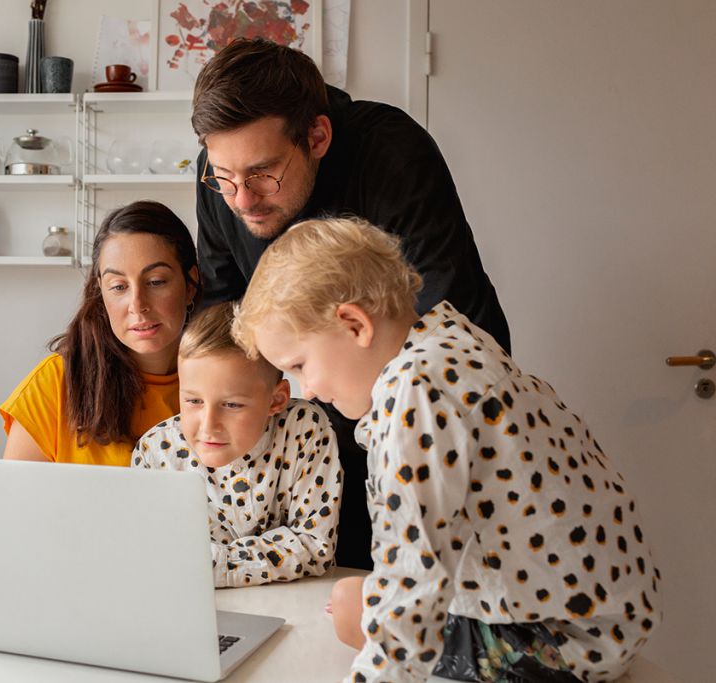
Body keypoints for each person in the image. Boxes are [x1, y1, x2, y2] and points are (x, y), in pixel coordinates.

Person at [231, 216, 661, 682]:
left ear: (354, 325)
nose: (307, 390)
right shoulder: (450, 339)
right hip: (606, 613)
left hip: (564, 638)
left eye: (300, 364)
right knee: (356, 598)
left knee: (356, 611)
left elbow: (413, 577)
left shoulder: (414, 392)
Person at [192, 38, 510, 569]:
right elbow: (223, 318)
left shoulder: (390, 153)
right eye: (224, 176)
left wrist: (398, 441)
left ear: (317, 137)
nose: (241, 199)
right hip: (302, 446)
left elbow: (450, 320)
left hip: (427, 422)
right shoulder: (223, 176)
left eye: (263, 173)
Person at [131, 301, 342, 588]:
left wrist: (210, 566)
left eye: (231, 404)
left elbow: (314, 547)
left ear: (276, 400)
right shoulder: (155, 453)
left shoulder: (303, 427)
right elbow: (152, 558)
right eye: (193, 401)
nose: (208, 425)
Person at [0, 200, 199, 465]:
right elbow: (12, 501)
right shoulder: (54, 384)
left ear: (190, 285)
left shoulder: (225, 380)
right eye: (118, 286)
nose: (137, 306)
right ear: (100, 292)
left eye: (155, 282)